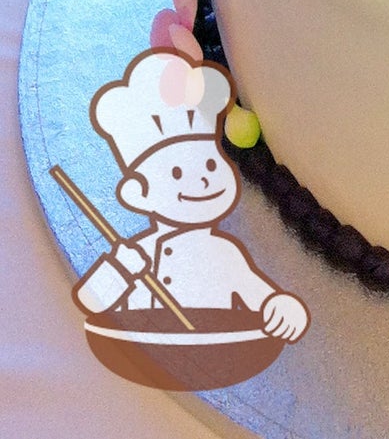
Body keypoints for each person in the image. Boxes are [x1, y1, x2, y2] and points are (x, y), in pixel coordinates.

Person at [73, 48, 308, 341]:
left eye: (211, 164)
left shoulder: (225, 254)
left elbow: (263, 298)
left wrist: (283, 308)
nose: (202, 180)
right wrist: (120, 268)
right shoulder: (140, 252)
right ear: (138, 194)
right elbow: (89, 299)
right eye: (176, 173)